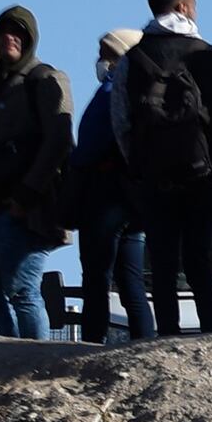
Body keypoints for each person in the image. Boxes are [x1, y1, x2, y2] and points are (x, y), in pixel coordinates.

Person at [116, 0, 212, 336]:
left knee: (164, 261)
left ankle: (168, 333)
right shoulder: (211, 56)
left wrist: (137, 165)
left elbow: (120, 119)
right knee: (199, 257)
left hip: (154, 174)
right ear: (183, 7)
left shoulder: (133, 59)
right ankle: (211, 331)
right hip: (202, 171)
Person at [0, 9, 78, 338]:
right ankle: (14, 352)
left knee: (23, 290)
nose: (10, 39)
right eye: (4, 33)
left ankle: (37, 364)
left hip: (25, 206)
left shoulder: (46, 79)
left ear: (29, 40)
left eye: (18, 33)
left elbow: (59, 140)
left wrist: (28, 193)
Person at [72, 26, 150, 342]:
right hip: (137, 197)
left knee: (96, 279)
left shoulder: (111, 90)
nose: (101, 61)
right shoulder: (145, 89)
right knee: (132, 282)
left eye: (106, 53)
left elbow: (90, 143)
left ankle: (91, 347)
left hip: (105, 194)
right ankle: (145, 344)